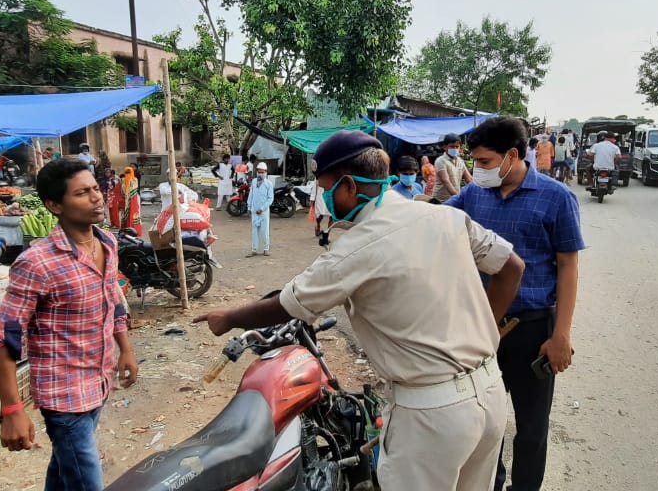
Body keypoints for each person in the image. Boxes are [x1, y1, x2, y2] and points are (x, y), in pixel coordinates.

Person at [193, 130, 526, 491]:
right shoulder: (444, 217)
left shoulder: (356, 249)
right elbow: (512, 268)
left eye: (325, 188)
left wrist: (227, 318)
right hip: (490, 394)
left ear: (349, 185)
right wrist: (486, 332)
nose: (323, 199)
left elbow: (287, 305)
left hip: (432, 416)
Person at [445, 116, 584, 491]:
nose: (479, 170)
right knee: (487, 422)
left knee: (531, 428)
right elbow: (437, 219)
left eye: (486, 162)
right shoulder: (474, 194)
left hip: (533, 329)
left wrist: (561, 334)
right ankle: (493, 482)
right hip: (483, 326)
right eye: (475, 162)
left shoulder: (556, 198)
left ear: (512, 155)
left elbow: (568, 266)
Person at [0, 159, 138, 491]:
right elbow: (3, 336)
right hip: (62, 395)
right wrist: (12, 408)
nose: (96, 198)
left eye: (95, 189)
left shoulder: (108, 244)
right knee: (85, 479)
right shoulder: (36, 262)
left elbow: (111, 299)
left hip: (98, 380)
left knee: (63, 470)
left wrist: (125, 348)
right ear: (55, 205)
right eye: (82, 193)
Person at [433, 133, 472, 202]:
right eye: (452, 146)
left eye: (457, 147)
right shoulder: (440, 161)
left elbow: (469, 179)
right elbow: (446, 181)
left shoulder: (460, 161)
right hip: (441, 200)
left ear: (460, 147)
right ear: (445, 147)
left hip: (454, 199)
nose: (455, 149)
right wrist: (459, 198)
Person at [247, 162, 274, 257]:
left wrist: (262, 209)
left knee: (264, 230)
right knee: (254, 231)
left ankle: (266, 249)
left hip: (264, 212)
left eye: (262, 172)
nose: (260, 174)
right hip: (254, 210)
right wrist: (249, 207)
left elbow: (270, 198)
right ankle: (254, 249)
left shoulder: (269, 184)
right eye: (259, 172)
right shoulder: (254, 182)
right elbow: (251, 195)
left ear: (266, 172)